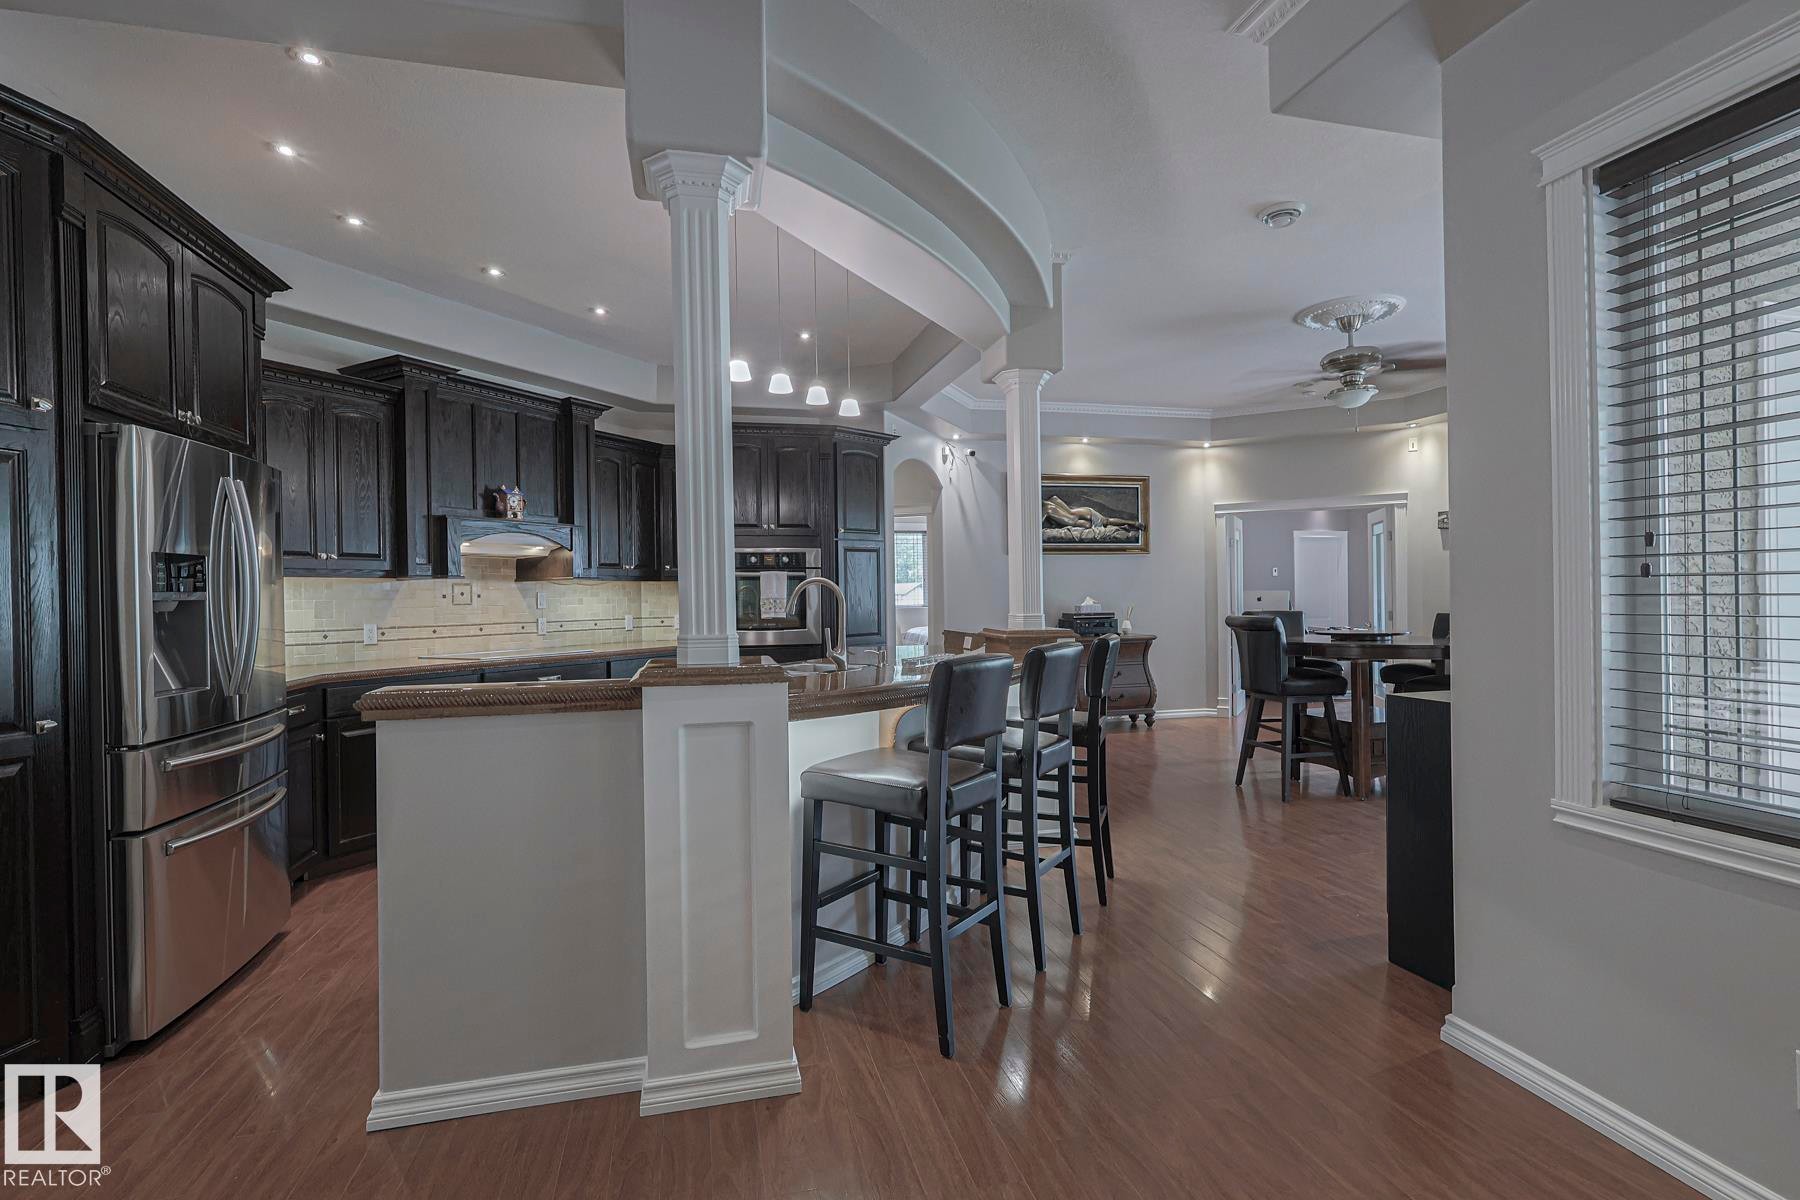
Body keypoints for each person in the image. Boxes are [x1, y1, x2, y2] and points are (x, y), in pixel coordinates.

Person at [1044, 495, 1141, 530]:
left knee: (1105, 521)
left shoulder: (1048, 508)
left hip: (1079, 517)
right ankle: (1128, 525)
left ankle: (1132, 523)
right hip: (1084, 512)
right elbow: (1055, 499)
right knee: (1105, 521)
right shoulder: (1052, 501)